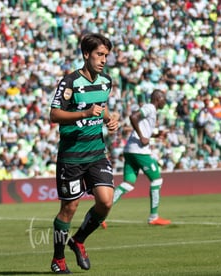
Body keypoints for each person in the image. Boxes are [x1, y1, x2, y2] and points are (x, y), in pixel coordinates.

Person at [49, 33, 119, 274]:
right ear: (86, 54)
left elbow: (103, 108)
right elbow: (54, 115)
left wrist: (112, 119)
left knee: (106, 201)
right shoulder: (69, 82)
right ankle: (58, 259)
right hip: (71, 157)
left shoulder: (106, 81)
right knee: (69, 208)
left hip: (96, 153)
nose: (103, 60)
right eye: (100, 54)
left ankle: (78, 240)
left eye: (106, 56)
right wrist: (85, 114)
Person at [111, 89, 171, 226]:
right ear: (158, 99)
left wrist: (154, 135)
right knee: (156, 180)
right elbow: (133, 117)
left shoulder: (151, 110)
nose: (165, 102)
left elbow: (142, 127)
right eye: (163, 99)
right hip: (139, 151)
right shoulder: (150, 107)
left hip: (130, 150)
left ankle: (100, 214)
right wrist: (142, 136)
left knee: (127, 184)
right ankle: (153, 217)